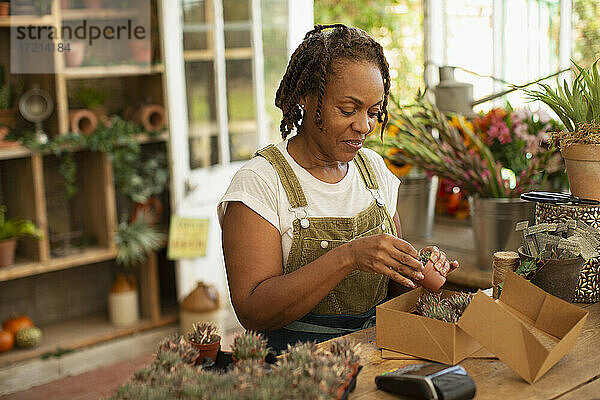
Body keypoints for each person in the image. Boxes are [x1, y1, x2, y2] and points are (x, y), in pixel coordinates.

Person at [218, 24, 459, 352]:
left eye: (374, 112)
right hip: (299, 370)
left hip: (376, 356)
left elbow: (393, 295)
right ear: (306, 97)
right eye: (348, 110)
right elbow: (253, 311)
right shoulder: (261, 184)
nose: (364, 126)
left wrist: (420, 272)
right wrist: (348, 257)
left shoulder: (373, 171)